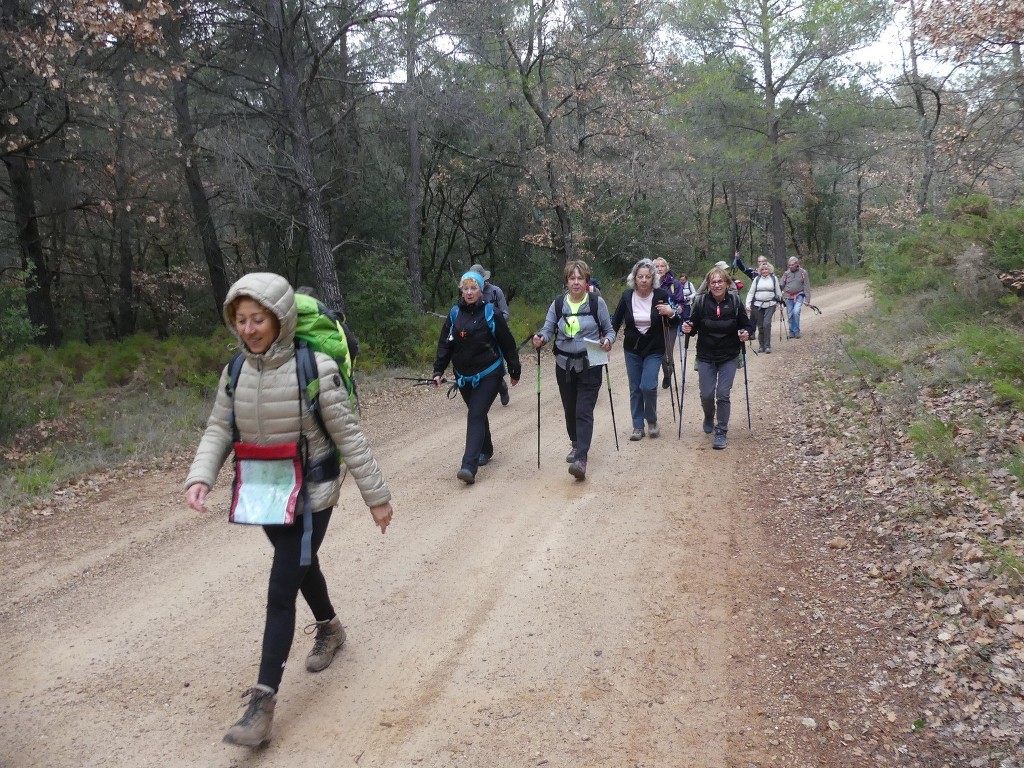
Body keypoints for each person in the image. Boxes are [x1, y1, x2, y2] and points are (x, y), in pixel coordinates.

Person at [184, 272, 394, 748]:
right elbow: (219, 428)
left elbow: (349, 436)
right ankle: (332, 629)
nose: (249, 328)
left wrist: (376, 497)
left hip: (311, 496)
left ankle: (262, 705)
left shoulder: (315, 367)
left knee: (281, 590)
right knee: (301, 566)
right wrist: (200, 475)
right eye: (241, 320)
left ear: (280, 318)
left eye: (258, 318)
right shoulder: (235, 371)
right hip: (264, 495)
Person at [432, 270, 522, 484]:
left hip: (489, 373)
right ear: (461, 290)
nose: (470, 292)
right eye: (466, 288)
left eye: (474, 288)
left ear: (481, 290)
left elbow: (507, 343)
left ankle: (468, 467)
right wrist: (438, 370)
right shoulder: (455, 314)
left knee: (474, 414)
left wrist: (514, 370)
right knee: (478, 414)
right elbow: (446, 343)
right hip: (464, 376)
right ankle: (486, 449)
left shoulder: (491, 312)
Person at [532, 259, 616, 481]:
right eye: (572, 278)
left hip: (592, 359)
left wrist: (607, 340)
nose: (576, 282)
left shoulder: (597, 303)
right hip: (565, 363)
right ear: (567, 281)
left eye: (580, 278)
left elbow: (609, 330)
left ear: (586, 280)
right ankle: (576, 443)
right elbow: (548, 329)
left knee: (583, 410)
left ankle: (581, 458)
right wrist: (541, 338)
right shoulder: (559, 303)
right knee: (570, 409)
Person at [681, 266, 754, 450]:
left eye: (720, 281)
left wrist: (746, 333)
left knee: (723, 394)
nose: (716, 284)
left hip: (729, 355)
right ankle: (708, 415)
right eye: (713, 282)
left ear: (727, 283)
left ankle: (721, 431)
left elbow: (747, 325)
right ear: (708, 285)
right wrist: (688, 328)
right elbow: (694, 326)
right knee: (706, 394)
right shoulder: (702, 302)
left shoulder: (735, 302)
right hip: (706, 355)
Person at [611, 258, 680, 441]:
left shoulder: (661, 295)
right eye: (640, 276)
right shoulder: (627, 296)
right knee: (635, 388)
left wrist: (670, 312)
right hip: (632, 349)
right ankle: (637, 426)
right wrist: (608, 339)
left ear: (653, 278)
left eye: (647, 277)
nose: (643, 280)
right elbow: (615, 321)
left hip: (654, 349)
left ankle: (652, 420)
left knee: (648, 387)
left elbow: (676, 320)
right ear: (634, 278)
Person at [470, 263, 512, 406]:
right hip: (475, 337)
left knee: (493, 366)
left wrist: (492, 320)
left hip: (494, 336)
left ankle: (502, 387)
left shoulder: (496, 292)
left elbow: (506, 314)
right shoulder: (469, 294)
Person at [652, 257, 686, 390]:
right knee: (658, 352)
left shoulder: (674, 284)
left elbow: (681, 302)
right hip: (654, 324)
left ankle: (667, 372)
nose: (659, 268)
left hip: (671, 323)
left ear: (667, 268)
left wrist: (679, 308)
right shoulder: (649, 284)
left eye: (662, 266)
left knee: (667, 352)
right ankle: (667, 372)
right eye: (657, 266)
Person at [745, 261, 783, 354]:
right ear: (760, 271)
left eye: (766, 269)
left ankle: (767, 346)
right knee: (761, 326)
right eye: (763, 269)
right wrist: (748, 304)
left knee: (766, 324)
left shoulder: (774, 279)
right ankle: (761, 345)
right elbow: (751, 293)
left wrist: (782, 304)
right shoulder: (756, 280)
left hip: (771, 304)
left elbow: (778, 292)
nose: (765, 271)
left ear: (769, 270)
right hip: (757, 305)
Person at [778, 256, 811, 338]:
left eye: (793, 264)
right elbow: (781, 285)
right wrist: (779, 297)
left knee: (796, 312)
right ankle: (791, 331)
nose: (791, 266)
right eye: (789, 265)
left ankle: (796, 331)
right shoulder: (786, 274)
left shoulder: (803, 272)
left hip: (799, 295)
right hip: (788, 296)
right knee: (790, 314)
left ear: (797, 264)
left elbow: (806, 286)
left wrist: (807, 299)